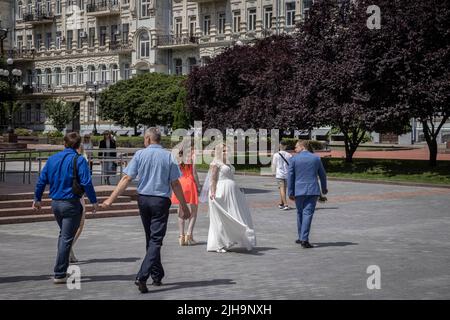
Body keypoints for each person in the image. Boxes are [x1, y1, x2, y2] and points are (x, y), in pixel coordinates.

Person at [101, 127, 191, 294]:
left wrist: (110, 199)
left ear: (149, 139)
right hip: (160, 201)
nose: (144, 141)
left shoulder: (140, 155)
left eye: (144, 138)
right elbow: (175, 183)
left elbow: (127, 177)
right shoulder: (168, 156)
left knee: (151, 239)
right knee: (156, 240)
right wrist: (184, 206)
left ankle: (157, 275)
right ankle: (142, 276)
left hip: (143, 200)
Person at [33, 132, 98, 284]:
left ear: (64, 143)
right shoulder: (79, 160)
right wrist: (94, 201)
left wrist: (37, 198)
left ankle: (62, 268)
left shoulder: (52, 159)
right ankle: (60, 273)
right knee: (66, 238)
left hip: (55, 203)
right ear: (78, 145)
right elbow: (87, 182)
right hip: (71, 203)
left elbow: (41, 181)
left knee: (64, 235)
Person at [203, 143, 256, 253]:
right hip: (220, 192)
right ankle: (219, 244)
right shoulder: (215, 163)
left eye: (227, 150)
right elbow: (213, 179)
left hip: (232, 193)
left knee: (233, 215)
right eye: (223, 151)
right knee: (220, 218)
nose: (226, 153)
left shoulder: (227, 162)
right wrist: (213, 193)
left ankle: (230, 239)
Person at [288, 140, 327, 249]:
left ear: (302, 146)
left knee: (300, 213)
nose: (295, 149)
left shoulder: (294, 159)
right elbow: (323, 175)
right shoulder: (316, 158)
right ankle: (304, 239)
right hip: (312, 190)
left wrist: (290, 192)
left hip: (298, 190)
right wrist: (324, 189)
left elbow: (290, 177)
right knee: (307, 214)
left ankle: (301, 237)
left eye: (296, 147)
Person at [171, 140, 200, 246]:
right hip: (190, 183)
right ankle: (189, 235)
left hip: (180, 183)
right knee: (194, 211)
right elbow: (194, 173)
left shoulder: (177, 157)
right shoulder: (192, 156)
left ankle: (181, 236)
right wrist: (198, 186)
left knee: (181, 210)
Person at [69, 143, 89, 263]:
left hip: (63, 195)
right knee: (79, 224)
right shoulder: (81, 159)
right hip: (78, 195)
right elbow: (86, 180)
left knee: (70, 227)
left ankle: (69, 250)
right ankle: (68, 248)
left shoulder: (65, 158)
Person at [271, 140, 293, 210]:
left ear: (279, 145)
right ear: (286, 146)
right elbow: (291, 165)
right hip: (287, 174)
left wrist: (273, 172)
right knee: (283, 189)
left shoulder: (276, 155)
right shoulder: (289, 155)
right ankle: (281, 203)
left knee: (281, 189)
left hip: (279, 174)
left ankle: (285, 204)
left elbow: (274, 165)